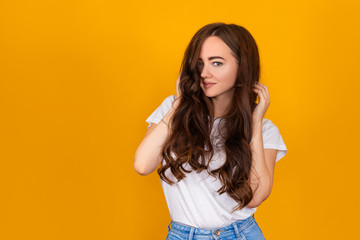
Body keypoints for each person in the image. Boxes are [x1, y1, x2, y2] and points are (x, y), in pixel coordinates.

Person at [134, 22, 287, 240]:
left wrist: (255, 123)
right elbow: (142, 165)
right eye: (199, 64)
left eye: (216, 63)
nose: (205, 73)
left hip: (240, 234)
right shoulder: (172, 109)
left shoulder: (263, 128)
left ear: (242, 67)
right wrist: (179, 103)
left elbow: (255, 196)